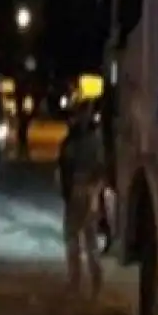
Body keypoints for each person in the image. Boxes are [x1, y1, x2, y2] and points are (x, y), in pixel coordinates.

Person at [57, 100, 106, 298]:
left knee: (76, 238)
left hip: (80, 190)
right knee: (86, 239)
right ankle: (91, 281)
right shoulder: (94, 139)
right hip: (85, 191)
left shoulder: (75, 140)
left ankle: (78, 281)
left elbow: (65, 166)